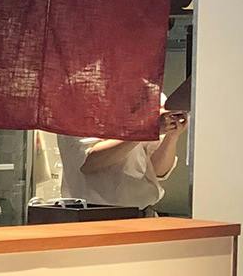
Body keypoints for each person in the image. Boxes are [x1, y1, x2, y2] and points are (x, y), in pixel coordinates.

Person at [49, 81, 190, 211]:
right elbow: (89, 162)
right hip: (94, 214)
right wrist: (146, 129)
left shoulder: (150, 93)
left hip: (143, 213)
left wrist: (172, 136)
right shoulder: (78, 96)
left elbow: (157, 171)